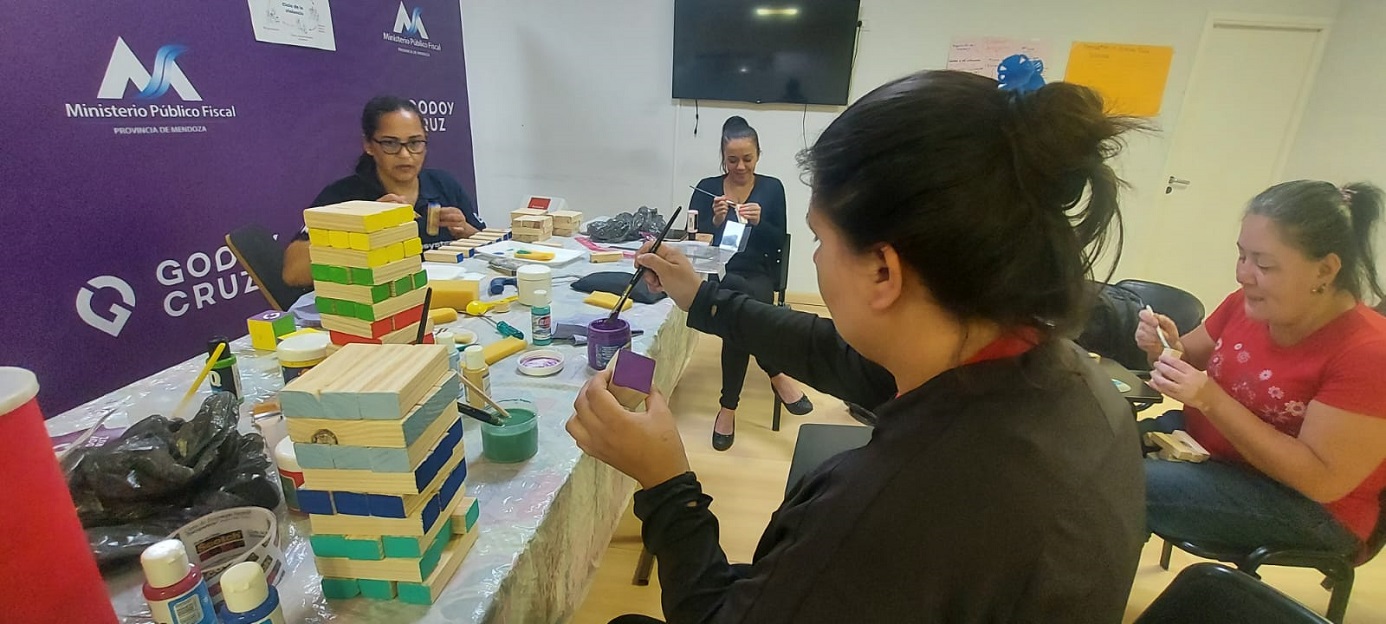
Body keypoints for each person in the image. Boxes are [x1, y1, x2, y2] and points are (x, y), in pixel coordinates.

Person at [568, 71, 1147, 623]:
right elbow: (835, 354)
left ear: (883, 271)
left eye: (821, 239)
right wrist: (704, 299)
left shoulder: (898, 512)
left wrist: (666, 482)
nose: (816, 258)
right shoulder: (1050, 373)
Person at [1138, 180, 1386, 557]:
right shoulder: (1247, 302)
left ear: (1325, 270)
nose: (1244, 274)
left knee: (1120, 483)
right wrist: (1163, 349)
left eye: (1264, 264)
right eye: (1242, 256)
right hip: (1209, 450)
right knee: (1095, 445)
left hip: (1306, 506)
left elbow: (1321, 480)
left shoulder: (1369, 352)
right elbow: (1183, 361)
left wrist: (1211, 400)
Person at [688, 116, 811, 451]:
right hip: (719, 270)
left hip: (758, 271)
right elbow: (696, 243)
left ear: (758, 155)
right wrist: (715, 221)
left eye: (747, 159)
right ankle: (775, 372)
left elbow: (779, 241)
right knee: (740, 302)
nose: (740, 167)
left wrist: (759, 223)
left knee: (738, 310)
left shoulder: (772, 188)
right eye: (732, 160)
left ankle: (727, 408)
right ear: (722, 157)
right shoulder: (707, 187)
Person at [283, 96, 485, 287]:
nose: (405, 154)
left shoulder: (444, 184)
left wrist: (465, 230)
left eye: (415, 142)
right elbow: (293, 273)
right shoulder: (343, 197)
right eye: (390, 143)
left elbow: (491, 251)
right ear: (369, 145)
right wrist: (363, 229)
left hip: (446, 298)